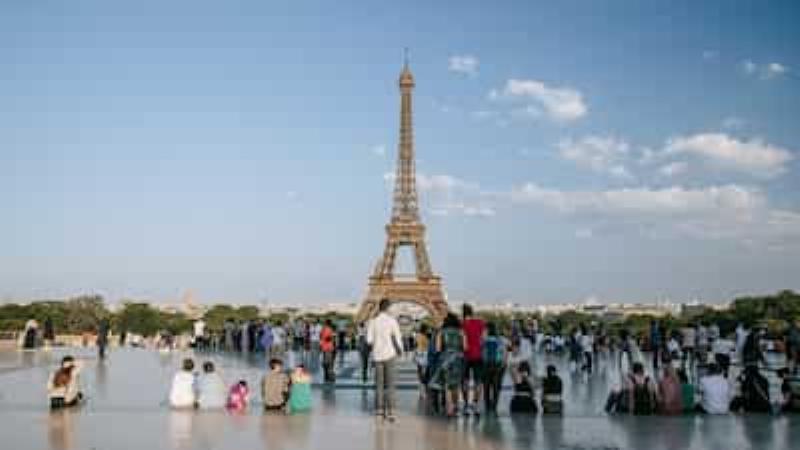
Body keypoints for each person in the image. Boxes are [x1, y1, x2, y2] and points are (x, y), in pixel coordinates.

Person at [367, 299, 403, 422]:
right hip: (390, 354)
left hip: (377, 355)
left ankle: (379, 411)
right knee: (390, 385)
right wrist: (400, 351)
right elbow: (398, 338)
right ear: (388, 308)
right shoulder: (392, 321)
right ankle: (391, 411)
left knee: (379, 385)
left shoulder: (373, 322)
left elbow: (369, 340)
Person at [435, 312, 465, 418]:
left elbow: (438, 348)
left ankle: (449, 409)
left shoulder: (441, 332)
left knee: (447, 385)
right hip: (457, 358)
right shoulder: (461, 332)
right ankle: (456, 407)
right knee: (455, 385)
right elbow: (465, 347)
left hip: (445, 359)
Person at [461, 303, 485, 416]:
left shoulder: (462, 324)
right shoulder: (480, 323)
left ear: (463, 313)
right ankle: (476, 405)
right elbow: (483, 339)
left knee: (465, 381)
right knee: (478, 381)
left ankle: (466, 405)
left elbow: (463, 341)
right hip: (478, 355)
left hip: (465, 356)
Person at [482, 322, 507, 413]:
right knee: (496, 386)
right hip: (498, 364)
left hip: (486, 364)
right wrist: (504, 363)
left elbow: (482, 352)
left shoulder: (483, 340)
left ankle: (487, 405)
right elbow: (504, 353)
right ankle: (495, 404)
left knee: (486, 386)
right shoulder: (501, 340)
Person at [414, 325, 430, 395]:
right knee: (426, 371)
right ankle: (425, 386)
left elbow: (415, 344)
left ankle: (421, 387)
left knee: (420, 371)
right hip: (425, 354)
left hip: (418, 353)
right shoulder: (427, 336)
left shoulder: (418, 336)